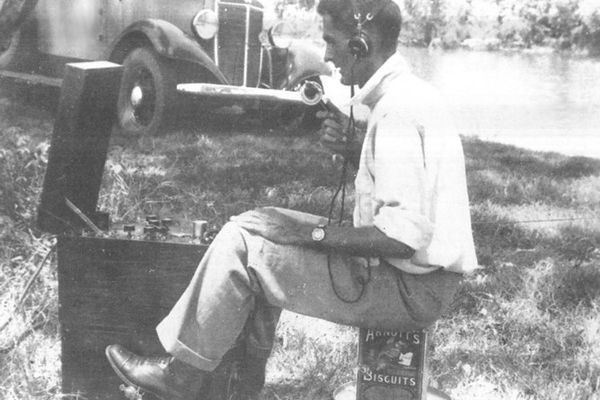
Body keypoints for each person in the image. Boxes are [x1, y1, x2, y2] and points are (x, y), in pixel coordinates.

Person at [105, 0, 478, 399]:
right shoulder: (411, 95)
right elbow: (407, 195)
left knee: (244, 245)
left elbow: (402, 237)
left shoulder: (396, 112)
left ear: (361, 44)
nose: (327, 56)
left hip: (409, 290)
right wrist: (357, 152)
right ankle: (241, 383)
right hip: (419, 280)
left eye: (331, 41)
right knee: (259, 222)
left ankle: (181, 376)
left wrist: (307, 234)